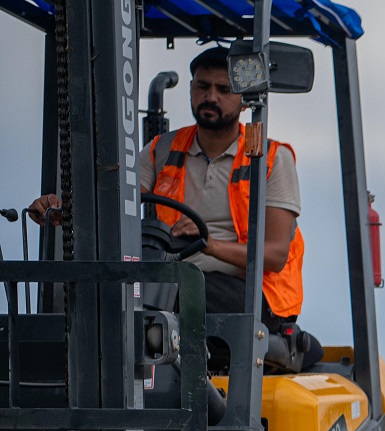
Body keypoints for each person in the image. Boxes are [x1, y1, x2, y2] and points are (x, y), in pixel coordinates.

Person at [30, 46, 306, 334]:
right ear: (191, 89)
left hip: (252, 292)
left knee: (161, 294)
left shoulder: (270, 158)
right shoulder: (163, 148)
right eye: (203, 86)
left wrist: (209, 244)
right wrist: (66, 209)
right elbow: (113, 200)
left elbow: (275, 256)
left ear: (244, 101)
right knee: (110, 288)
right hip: (176, 278)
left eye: (223, 89)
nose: (211, 97)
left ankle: (133, 351)